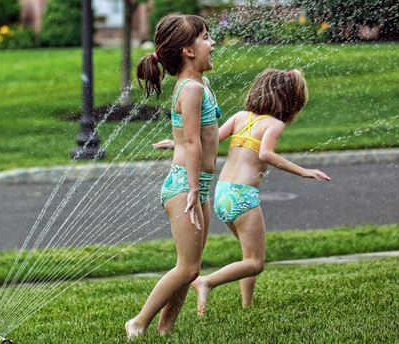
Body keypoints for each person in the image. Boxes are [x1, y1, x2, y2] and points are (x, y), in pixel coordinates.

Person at [153, 68, 330, 316]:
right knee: (255, 263)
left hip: (223, 193)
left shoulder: (240, 116)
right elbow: (265, 154)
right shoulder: (275, 124)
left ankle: (248, 304)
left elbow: (209, 139)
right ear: (291, 100)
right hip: (244, 197)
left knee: (248, 257)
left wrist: (176, 143)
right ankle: (207, 282)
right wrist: (303, 171)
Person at [125, 14, 220, 339]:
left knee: (190, 264)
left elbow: (192, 134)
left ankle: (167, 330)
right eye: (205, 37)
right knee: (188, 268)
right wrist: (193, 188)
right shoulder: (191, 88)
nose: (212, 43)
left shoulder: (199, 84)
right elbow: (193, 142)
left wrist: (175, 141)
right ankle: (138, 322)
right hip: (185, 186)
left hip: (198, 185)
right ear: (188, 51)